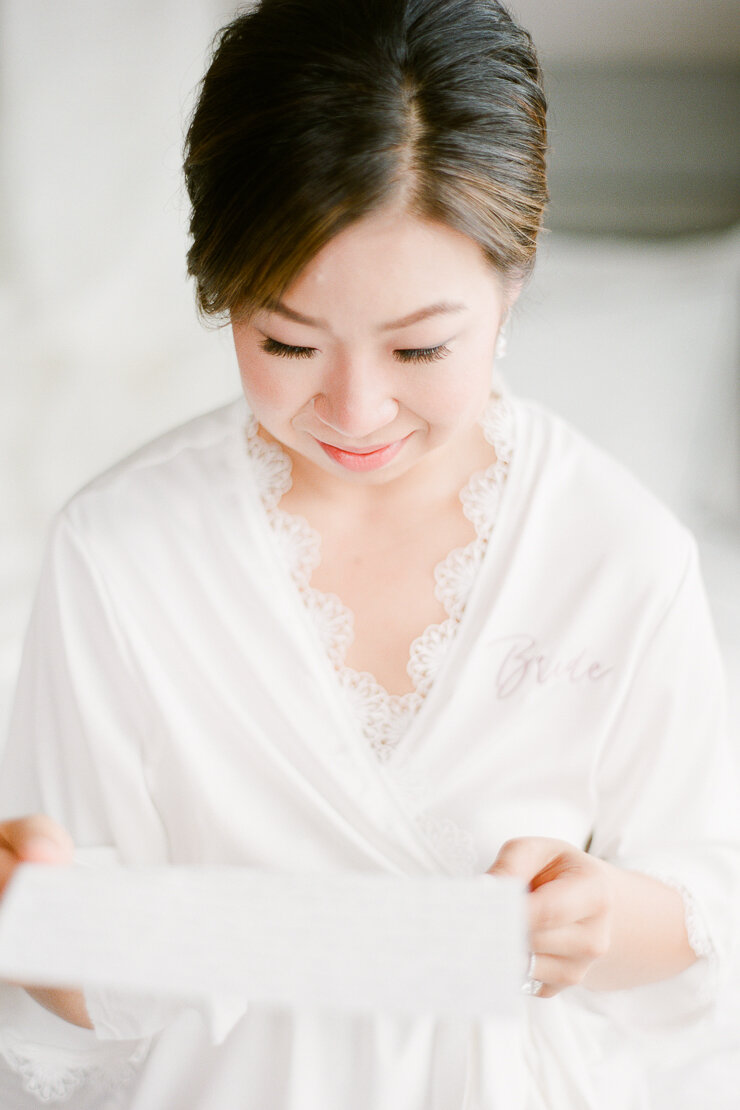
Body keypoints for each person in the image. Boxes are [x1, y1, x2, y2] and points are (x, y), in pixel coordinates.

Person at [0, 0, 738, 1106]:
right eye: (285, 339)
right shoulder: (120, 551)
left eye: (419, 346)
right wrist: (46, 928)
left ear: (514, 278)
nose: (353, 408)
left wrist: (595, 917)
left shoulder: (619, 553)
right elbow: (82, 995)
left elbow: (701, 905)